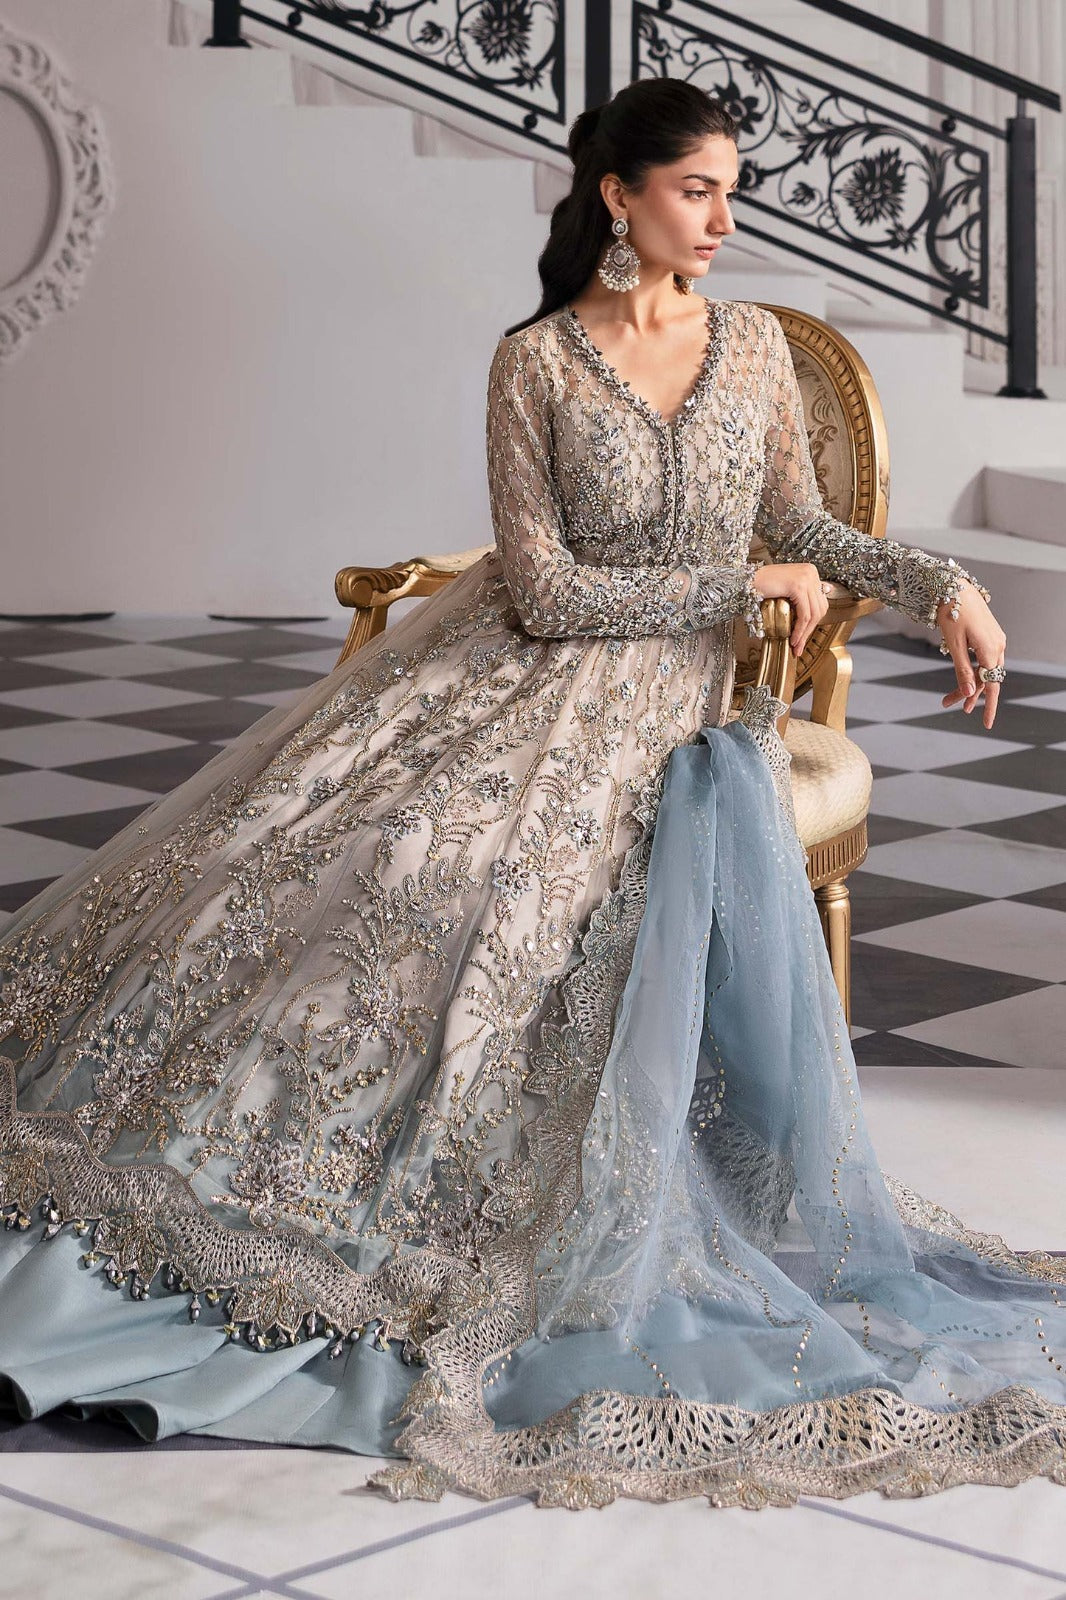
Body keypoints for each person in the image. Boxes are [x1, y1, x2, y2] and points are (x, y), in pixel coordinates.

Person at [0, 78, 1061, 1512]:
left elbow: (802, 526)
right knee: (389, 859)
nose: (721, 219)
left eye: (730, 190)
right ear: (620, 195)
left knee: (500, 886)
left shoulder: (752, 346)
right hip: (524, 671)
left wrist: (941, 583)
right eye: (695, 190)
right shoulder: (537, 364)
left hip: (677, 710)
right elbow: (550, 595)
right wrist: (734, 585)